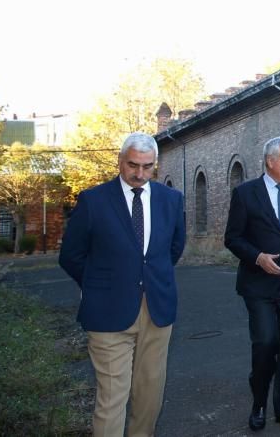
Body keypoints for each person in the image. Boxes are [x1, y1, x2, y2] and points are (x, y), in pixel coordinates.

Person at [59, 132, 186, 437]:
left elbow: (173, 249)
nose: (139, 174)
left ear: (155, 165)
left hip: (157, 310)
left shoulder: (171, 199)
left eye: (147, 166)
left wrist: (151, 279)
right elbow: (71, 255)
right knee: (112, 396)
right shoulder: (93, 200)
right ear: (120, 161)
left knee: (150, 391)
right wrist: (99, 285)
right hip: (107, 312)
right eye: (133, 165)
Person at [224, 137, 280, 431]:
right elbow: (233, 238)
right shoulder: (246, 193)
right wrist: (258, 257)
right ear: (270, 161)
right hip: (259, 286)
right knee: (265, 343)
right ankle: (259, 404)